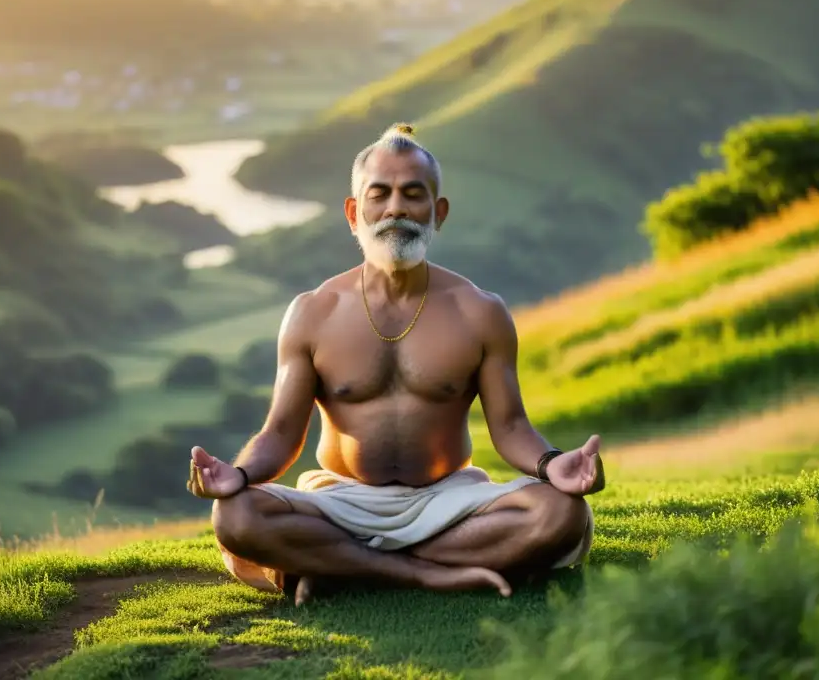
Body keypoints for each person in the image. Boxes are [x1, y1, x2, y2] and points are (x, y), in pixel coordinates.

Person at [187, 123, 605, 606]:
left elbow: (510, 427)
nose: (396, 209)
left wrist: (554, 465)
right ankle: (425, 573)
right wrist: (237, 476)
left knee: (561, 514)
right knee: (236, 517)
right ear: (353, 212)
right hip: (339, 500)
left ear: (438, 212)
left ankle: (340, 567)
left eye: (413, 194)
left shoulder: (480, 311)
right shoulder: (313, 311)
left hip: (448, 501)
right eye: (379, 194)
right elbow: (281, 433)